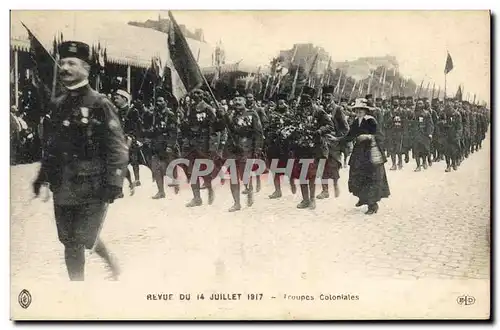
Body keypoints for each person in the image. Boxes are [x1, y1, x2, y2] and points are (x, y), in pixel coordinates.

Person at [32, 41, 128, 280]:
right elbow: (52, 146)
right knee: (68, 240)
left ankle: (111, 263)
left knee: (85, 236)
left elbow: (117, 147)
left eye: (72, 63)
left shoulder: (100, 103)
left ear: (85, 68)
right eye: (62, 62)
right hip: (63, 184)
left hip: (92, 184)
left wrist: (114, 183)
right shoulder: (58, 104)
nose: (65, 67)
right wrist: (43, 176)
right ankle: (77, 286)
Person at [334, 98, 390, 214]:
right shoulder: (356, 121)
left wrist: (368, 137)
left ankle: (372, 205)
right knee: (357, 174)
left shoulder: (371, 121)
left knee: (371, 177)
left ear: (366, 110)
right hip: (359, 152)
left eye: (361, 110)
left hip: (370, 152)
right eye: (357, 110)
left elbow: (380, 135)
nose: (359, 111)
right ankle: (362, 197)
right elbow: (350, 136)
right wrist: (336, 140)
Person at [288, 86, 334, 210]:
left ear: (312, 99)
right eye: (303, 98)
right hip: (300, 147)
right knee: (302, 174)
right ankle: (305, 199)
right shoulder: (297, 111)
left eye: (308, 98)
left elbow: (330, 125)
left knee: (312, 174)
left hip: (314, 147)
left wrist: (319, 131)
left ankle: (313, 199)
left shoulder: (318, 111)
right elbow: (292, 124)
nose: (305, 101)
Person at [180, 88, 224, 207]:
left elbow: (215, 129)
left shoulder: (208, 109)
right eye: (194, 93)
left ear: (203, 95)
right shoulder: (190, 109)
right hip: (192, 144)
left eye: (199, 93)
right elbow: (186, 127)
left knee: (204, 171)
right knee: (193, 172)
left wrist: (213, 146)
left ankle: (209, 190)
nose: (196, 95)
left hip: (204, 145)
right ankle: (197, 198)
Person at [225, 95, 264, 212]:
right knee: (233, 177)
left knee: (244, 175)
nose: (237, 102)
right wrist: (222, 116)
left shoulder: (252, 114)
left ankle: (249, 189)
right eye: (235, 99)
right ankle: (236, 203)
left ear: (245, 101)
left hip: (246, 148)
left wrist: (257, 149)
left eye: (240, 100)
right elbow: (220, 127)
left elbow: (258, 133)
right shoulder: (230, 115)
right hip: (232, 149)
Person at [317, 85, 349, 199]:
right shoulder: (319, 109)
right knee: (321, 166)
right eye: (324, 95)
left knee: (333, 166)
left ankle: (335, 186)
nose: (326, 97)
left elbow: (346, 128)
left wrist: (338, 138)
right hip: (321, 142)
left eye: (328, 95)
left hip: (333, 144)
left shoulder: (338, 109)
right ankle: (325, 190)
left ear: (332, 96)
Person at [112, 89, 141, 196]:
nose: (115, 100)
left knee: (132, 161)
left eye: (117, 98)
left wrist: (133, 137)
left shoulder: (133, 111)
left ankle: (136, 180)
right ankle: (126, 185)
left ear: (124, 99)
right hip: (119, 141)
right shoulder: (116, 111)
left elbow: (137, 126)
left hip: (130, 141)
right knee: (121, 164)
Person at [410, 99, 434, 171]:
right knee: (416, 151)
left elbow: (430, 124)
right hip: (416, 134)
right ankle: (418, 166)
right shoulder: (414, 113)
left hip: (424, 135)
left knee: (424, 150)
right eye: (418, 104)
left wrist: (429, 133)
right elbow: (411, 124)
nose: (419, 105)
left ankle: (424, 162)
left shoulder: (427, 113)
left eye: (421, 104)